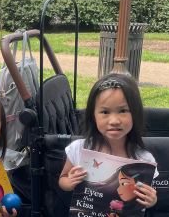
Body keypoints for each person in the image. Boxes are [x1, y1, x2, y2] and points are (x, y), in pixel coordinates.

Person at [59, 74, 158, 211]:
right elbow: (63, 178)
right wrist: (69, 182)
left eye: (123, 111)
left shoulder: (144, 160)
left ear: (135, 114)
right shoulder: (79, 148)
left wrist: (151, 200)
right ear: (93, 116)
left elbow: (145, 195)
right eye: (105, 112)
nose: (114, 121)